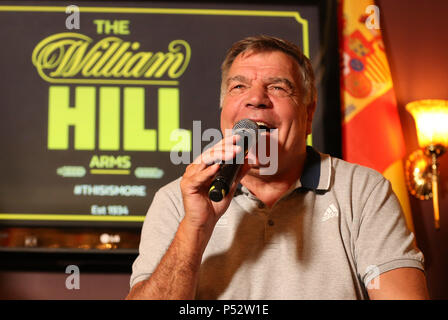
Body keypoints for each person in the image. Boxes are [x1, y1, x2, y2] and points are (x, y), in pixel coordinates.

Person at [126, 35, 428, 300]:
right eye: (239, 86)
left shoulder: (362, 191)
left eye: (278, 88)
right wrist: (195, 227)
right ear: (224, 111)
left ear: (308, 115)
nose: (256, 98)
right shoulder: (174, 200)